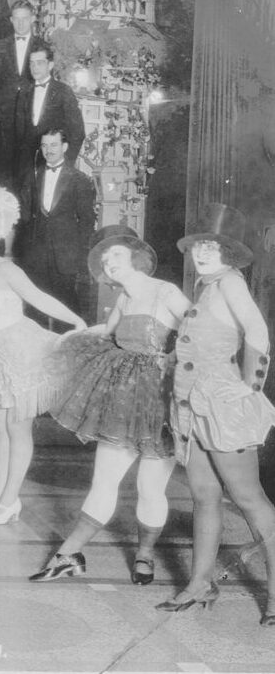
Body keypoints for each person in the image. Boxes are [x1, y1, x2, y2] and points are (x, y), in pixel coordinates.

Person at [30, 226, 189, 585]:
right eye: (105, 259)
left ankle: (145, 555)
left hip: (158, 404)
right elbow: (108, 333)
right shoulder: (123, 299)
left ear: (135, 258)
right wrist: (73, 334)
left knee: (151, 489)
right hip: (121, 401)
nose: (108, 261)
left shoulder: (165, 291)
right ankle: (68, 554)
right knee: (103, 483)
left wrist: (175, 355)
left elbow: (197, 328)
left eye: (115, 255)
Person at [157, 203, 275, 623]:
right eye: (200, 245)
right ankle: (201, 584)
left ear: (229, 252)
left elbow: (258, 330)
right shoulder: (207, 287)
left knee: (249, 498)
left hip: (220, 406)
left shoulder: (229, 283)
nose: (204, 252)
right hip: (193, 406)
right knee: (205, 496)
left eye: (214, 246)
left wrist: (248, 387)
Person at [0, 183, 86, 525]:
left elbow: (39, 298)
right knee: (1, 428)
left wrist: (74, 319)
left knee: (18, 428)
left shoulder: (6, 269)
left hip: (21, 351)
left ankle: (10, 499)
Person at [18, 128, 96, 329]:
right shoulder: (31, 176)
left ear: (65, 147)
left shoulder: (79, 179)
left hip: (65, 255)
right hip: (36, 254)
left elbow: (87, 221)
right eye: (44, 145)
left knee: (67, 306)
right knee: (35, 305)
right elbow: (24, 216)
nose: (48, 150)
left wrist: (80, 255)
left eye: (53, 145)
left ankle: (68, 350)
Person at [0, 0, 41, 188]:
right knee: (2, 172)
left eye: (25, 18)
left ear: (33, 19)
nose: (20, 23)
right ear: (10, 20)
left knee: (27, 173)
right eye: (16, 19)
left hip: (31, 117)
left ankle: (25, 217)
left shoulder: (43, 46)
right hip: (4, 119)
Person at [17, 46, 85, 184]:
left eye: (40, 63)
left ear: (50, 65)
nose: (35, 67)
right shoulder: (24, 92)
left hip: (55, 163)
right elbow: (18, 131)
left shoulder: (63, 91)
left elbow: (78, 132)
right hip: (26, 166)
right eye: (32, 63)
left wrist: (66, 162)